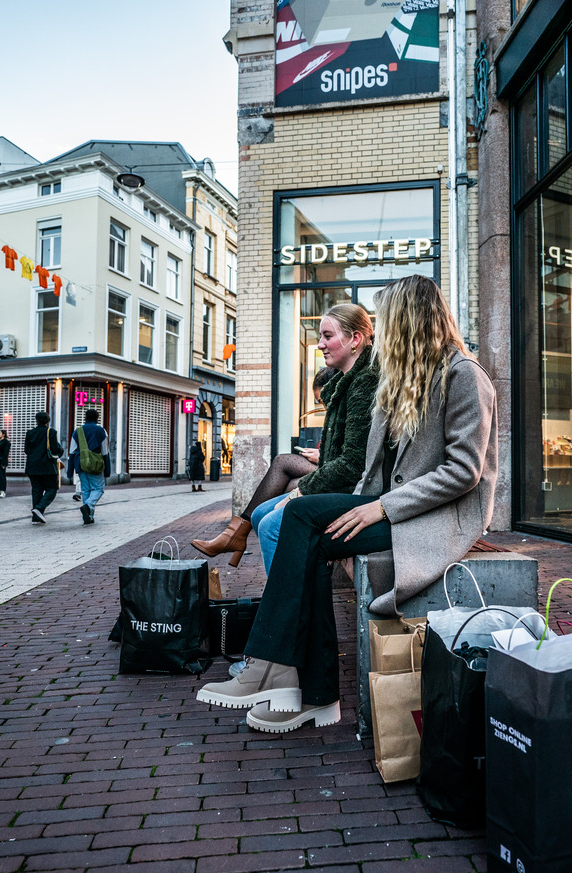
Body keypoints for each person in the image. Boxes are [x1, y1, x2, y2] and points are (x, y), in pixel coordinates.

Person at [196, 275, 497, 734]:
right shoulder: (405, 378)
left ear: (411, 322)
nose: (381, 333)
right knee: (301, 521)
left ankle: (284, 673)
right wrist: (358, 497)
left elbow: (463, 472)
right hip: (394, 504)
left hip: (434, 517)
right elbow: (373, 461)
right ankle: (298, 683)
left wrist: (381, 507)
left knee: (305, 524)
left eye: (387, 321)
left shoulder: (464, 375)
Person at [193, 308, 375, 569]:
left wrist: (301, 491)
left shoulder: (363, 383)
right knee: (261, 511)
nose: (320, 344)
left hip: (357, 489)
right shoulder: (347, 383)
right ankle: (243, 542)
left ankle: (281, 588)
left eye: (327, 336)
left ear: (355, 339)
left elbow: (352, 464)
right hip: (343, 479)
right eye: (320, 336)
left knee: (271, 521)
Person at [68, 407, 110, 525]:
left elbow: (72, 451)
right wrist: (107, 470)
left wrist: (70, 470)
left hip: (80, 464)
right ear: (97, 418)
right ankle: (88, 506)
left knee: (85, 490)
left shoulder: (77, 431)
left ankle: (89, 517)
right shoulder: (101, 431)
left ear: (85, 417)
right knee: (98, 489)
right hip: (95, 464)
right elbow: (105, 451)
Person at [23, 411, 63, 524]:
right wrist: (61, 450)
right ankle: (39, 508)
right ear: (48, 421)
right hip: (47, 466)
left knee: (37, 490)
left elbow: (26, 450)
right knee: (52, 489)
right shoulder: (51, 432)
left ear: (36, 420)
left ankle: (36, 518)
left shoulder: (30, 433)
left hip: (32, 466)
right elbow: (54, 449)